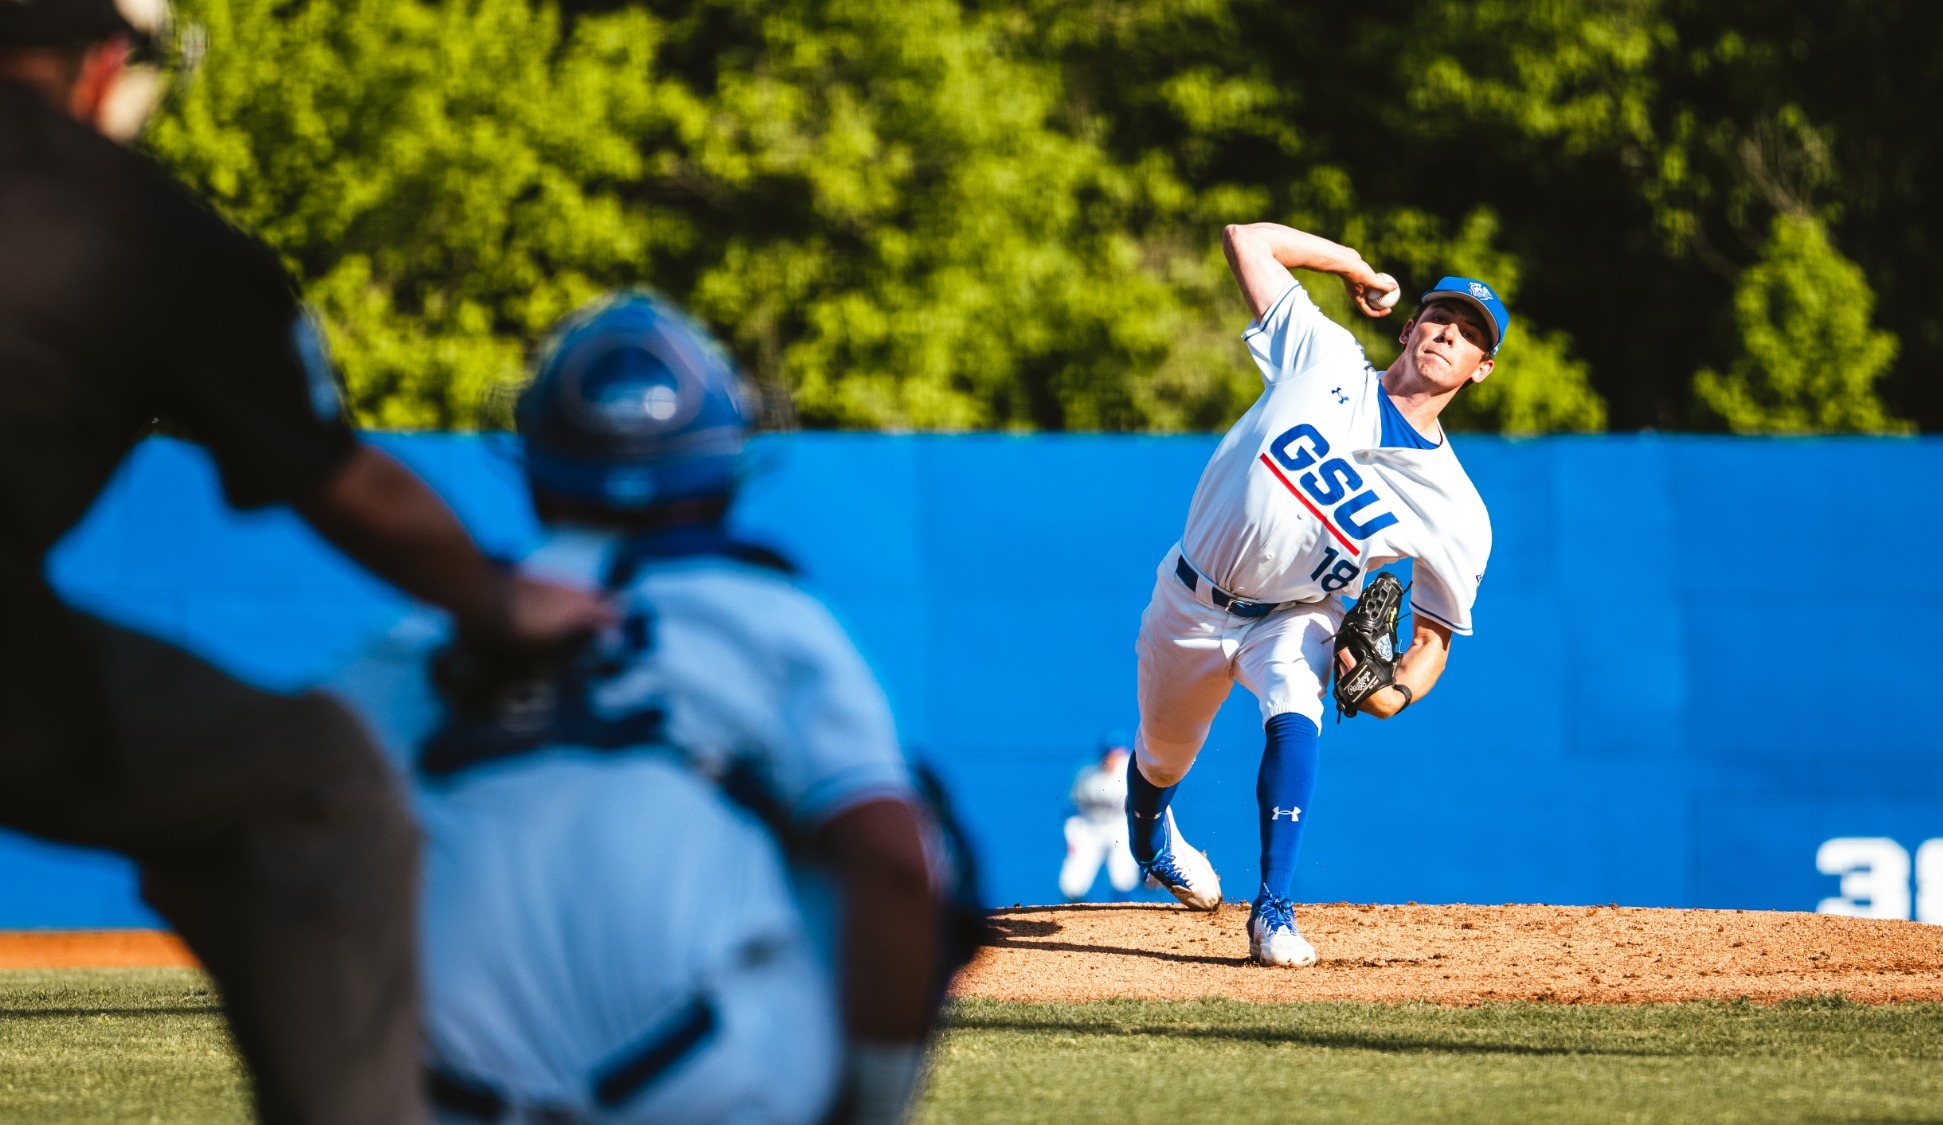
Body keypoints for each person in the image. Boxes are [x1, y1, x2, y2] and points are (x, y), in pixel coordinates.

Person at [0, 5, 608, 1121]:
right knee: (318, 784)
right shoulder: (136, 229)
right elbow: (349, 488)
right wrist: (496, 601)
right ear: (100, 69)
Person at [330, 290, 946, 1124]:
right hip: (703, 1080)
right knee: (884, 824)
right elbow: (898, 865)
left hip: (441, 1093)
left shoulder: (413, 639)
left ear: (537, 453)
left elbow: (268, 843)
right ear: (723, 454)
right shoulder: (766, 616)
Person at [1126, 222, 1501, 968]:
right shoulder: (1324, 354)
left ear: (1480, 369)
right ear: (1408, 326)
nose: (1445, 334)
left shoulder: (1457, 508)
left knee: (1297, 710)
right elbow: (1243, 240)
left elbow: (1432, 640)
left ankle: (1273, 910)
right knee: (1164, 758)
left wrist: (1393, 691)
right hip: (1192, 600)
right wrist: (1353, 265)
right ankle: (1151, 834)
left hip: (1298, 613)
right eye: (1438, 316)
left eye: (1467, 335)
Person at [1058, 732, 1140, 901]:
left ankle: (1122, 920)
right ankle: (1074, 921)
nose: (1113, 757)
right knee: (1072, 884)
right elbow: (1071, 809)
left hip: (1120, 827)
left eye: (1117, 752)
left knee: (1123, 877)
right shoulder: (1087, 774)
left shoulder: (1132, 774)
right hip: (1090, 827)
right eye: (1110, 753)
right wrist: (1072, 835)